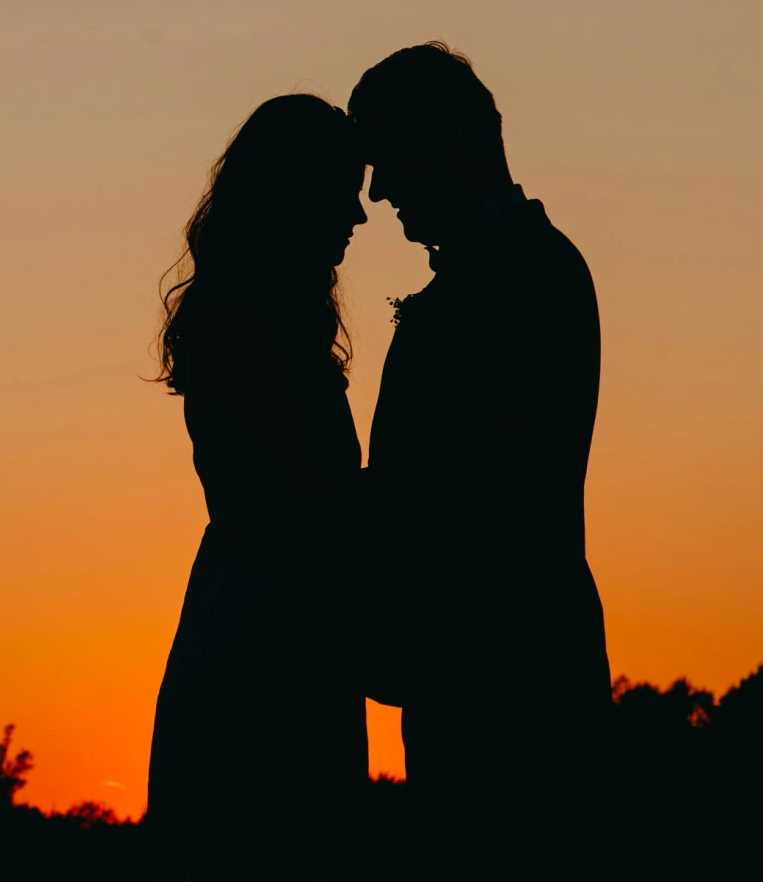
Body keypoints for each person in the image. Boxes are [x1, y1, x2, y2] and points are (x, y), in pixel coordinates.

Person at [349, 43, 610, 858]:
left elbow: (511, 465)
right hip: (463, 673)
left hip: (511, 678)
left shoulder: (531, 271)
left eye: (386, 160)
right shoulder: (496, 271)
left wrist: (345, 496)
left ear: (451, 138)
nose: (377, 191)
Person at [146, 94, 372, 881]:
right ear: (295, 193)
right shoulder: (242, 322)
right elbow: (308, 497)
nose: (360, 213)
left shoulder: (258, 317)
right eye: (343, 189)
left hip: (284, 619)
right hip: (266, 630)